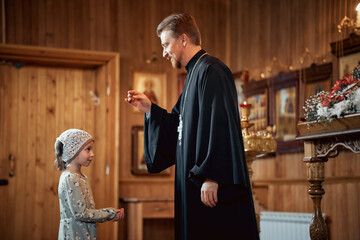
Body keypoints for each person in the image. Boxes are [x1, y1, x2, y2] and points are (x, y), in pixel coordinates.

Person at [125, 13, 259, 240]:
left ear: (183, 40)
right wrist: (150, 110)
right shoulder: (193, 76)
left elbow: (221, 125)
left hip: (211, 188)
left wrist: (211, 176)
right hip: (193, 188)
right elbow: (177, 126)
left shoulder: (212, 71)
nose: (164, 52)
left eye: (166, 44)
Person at [54, 129, 124, 240]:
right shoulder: (70, 178)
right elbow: (81, 214)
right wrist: (110, 213)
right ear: (72, 150)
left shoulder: (81, 177)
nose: (92, 154)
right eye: (88, 149)